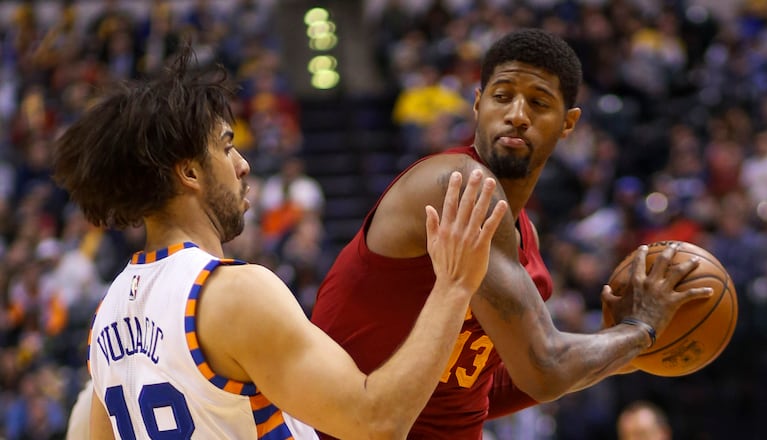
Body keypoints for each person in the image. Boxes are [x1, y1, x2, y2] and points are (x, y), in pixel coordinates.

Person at [52, 44, 509, 439]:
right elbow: (378, 422)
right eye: (226, 147)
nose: (243, 164)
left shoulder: (106, 315)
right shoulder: (230, 294)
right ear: (189, 172)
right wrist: (453, 285)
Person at [310, 28, 714, 439]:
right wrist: (638, 333)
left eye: (539, 103)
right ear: (477, 103)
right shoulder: (457, 184)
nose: (518, 114)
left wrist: (623, 348)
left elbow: (484, 387)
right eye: (502, 96)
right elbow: (546, 370)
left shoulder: (524, 235)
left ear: (568, 123)